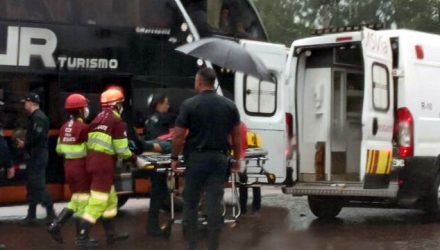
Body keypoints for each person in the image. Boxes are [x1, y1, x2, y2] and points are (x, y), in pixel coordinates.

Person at [171, 68, 241, 250]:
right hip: (219, 160)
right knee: (214, 204)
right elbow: (237, 136)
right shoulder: (229, 105)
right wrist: (237, 159)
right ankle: (213, 246)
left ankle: (192, 246)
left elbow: (178, 136)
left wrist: (174, 158)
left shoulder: (189, 105)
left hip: (196, 159)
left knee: (191, 203)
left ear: (200, 82)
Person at [76, 88, 136, 247]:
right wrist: (135, 159)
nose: (122, 107)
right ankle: (82, 236)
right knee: (98, 201)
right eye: (121, 104)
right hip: (103, 165)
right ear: (115, 105)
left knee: (110, 200)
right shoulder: (117, 122)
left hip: (92, 162)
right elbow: (122, 150)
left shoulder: (97, 119)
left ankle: (111, 234)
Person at [47, 94, 95, 245]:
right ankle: (81, 238)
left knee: (76, 199)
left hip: (68, 167)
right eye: (85, 107)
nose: (87, 110)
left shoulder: (63, 128)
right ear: (80, 110)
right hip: (81, 168)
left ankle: (56, 225)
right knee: (83, 201)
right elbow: (91, 150)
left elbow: (59, 149)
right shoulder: (84, 128)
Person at [15, 92, 55, 225]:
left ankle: (51, 212)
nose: (24, 104)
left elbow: (37, 136)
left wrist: (24, 143)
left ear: (31, 103)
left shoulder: (39, 118)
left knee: (38, 185)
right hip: (34, 155)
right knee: (31, 185)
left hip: (38, 156)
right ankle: (31, 215)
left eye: (25, 102)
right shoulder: (34, 117)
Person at [143, 94, 175, 237]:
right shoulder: (161, 119)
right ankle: (152, 226)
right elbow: (161, 141)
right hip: (158, 161)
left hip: (152, 160)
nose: (168, 107)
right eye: (166, 104)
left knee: (159, 192)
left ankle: (154, 224)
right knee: (158, 193)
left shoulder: (150, 119)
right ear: (158, 104)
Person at [237, 122, 261, 217]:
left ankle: (243, 210)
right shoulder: (243, 125)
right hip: (248, 155)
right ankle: (256, 208)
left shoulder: (234, 125)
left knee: (243, 183)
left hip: (240, 156)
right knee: (254, 182)